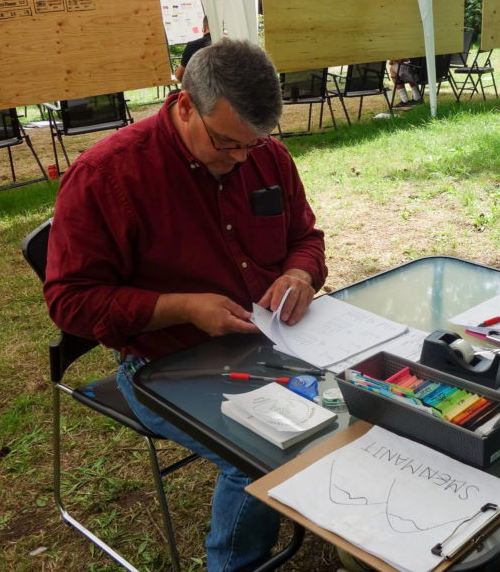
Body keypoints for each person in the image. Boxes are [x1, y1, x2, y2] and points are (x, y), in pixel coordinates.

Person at [44, 39, 327, 571]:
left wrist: (299, 271)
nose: (244, 159)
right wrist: (182, 308)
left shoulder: (266, 156)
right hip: (163, 364)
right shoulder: (107, 176)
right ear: (183, 106)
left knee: (366, 400)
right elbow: (70, 302)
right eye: (227, 144)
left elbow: (306, 237)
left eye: (255, 143)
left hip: (270, 343)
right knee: (262, 455)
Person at [174, 15, 212, 82]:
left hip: (201, 90)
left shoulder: (192, 46)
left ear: (204, 28)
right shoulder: (228, 43)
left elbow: (179, 76)